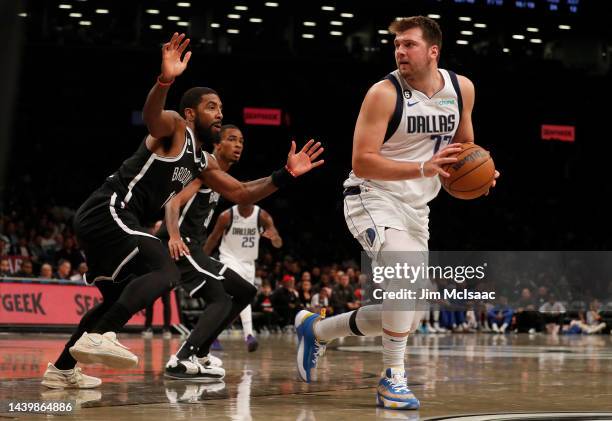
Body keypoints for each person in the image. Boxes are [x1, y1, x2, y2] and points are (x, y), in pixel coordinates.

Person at [42, 32, 324, 389]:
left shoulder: (202, 160)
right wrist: (165, 80)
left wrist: (284, 175)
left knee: (114, 298)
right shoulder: (175, 127)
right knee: (164, 268)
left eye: (221, 108)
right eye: (211, 107)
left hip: (115, 221)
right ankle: (100, 336)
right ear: (191, 112)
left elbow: (239, 192)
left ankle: (63, 369)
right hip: (109, 208)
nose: (219, 113)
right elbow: (151, 116)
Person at [294, 16, 499, 410]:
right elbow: (363, 161)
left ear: (433, 51)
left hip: (416, 207)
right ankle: (392, 379)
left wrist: (481, 168)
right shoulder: (383, 93)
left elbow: (464, 146)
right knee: (403, 277)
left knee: (410, 314)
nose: (400, 51)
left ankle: (316, 330)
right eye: (397, 45)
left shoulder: (461, 89)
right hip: (371, 196)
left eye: (409, 44)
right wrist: (424, 168)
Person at [204, 199, 283, 351]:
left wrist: (274, 238)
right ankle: (248, 335)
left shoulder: (263, 216)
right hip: (229, 259)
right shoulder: (227, 216)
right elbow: (213, 238)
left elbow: (278, 243)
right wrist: (200, 260)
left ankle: (213, 335)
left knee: (241, 298)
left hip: (249, 263)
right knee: (243, 293)